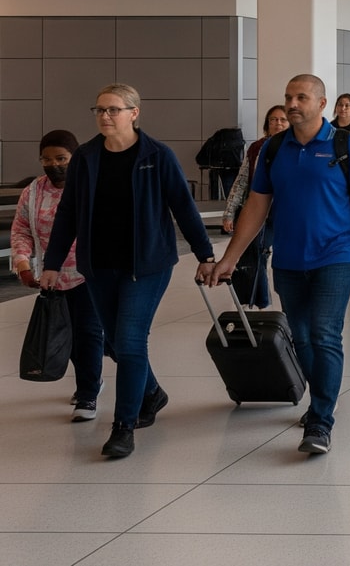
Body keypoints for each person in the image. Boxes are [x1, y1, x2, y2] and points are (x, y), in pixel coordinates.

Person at [205, 74, 350, 456]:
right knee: (302, 337)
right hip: (288, 259)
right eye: (288, 97)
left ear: (321, 104)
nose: (292, 104)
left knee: (324, 334)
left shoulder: (346, 146)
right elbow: (257, 206)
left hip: (335, 256)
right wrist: (230, 258)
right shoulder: (274, 149)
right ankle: (323, 393)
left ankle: (321, 419)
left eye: (301, 97)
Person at [41, 84, 214, 459]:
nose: (105, 116)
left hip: (147, 266)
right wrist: (52, 264)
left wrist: (205, 254)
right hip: (98, 266)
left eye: (113, 110)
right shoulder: (86, 157)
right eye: (100, 110)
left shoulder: (157, 155)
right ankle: (152, 393)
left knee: (131, 340)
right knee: (116, 343)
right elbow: (68, 212)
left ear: (134, 113)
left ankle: (124, 425)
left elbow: (183, 208)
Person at [11, 129, 105, 422]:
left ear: (75, 157)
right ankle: (91, 380)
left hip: (91, 273)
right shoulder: (34, 191)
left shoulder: (91, 185)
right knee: (67, 333)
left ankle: (88, 394)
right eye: (46, 159)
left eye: (61, 158)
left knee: (88, 333)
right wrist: (24, 264)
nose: (54, 164)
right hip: (52, 277)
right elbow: (22, 229)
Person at [222, 105, 292, 308]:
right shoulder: (256, 148)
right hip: (257, 210)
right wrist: (229, 212)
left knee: (269, 254)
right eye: (273, 120)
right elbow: (242, 181)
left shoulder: (295, 147)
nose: (277, 123)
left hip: (284, 212)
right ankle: (258, 301)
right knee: (256, 252)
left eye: (282, 120)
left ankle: (264, 300)